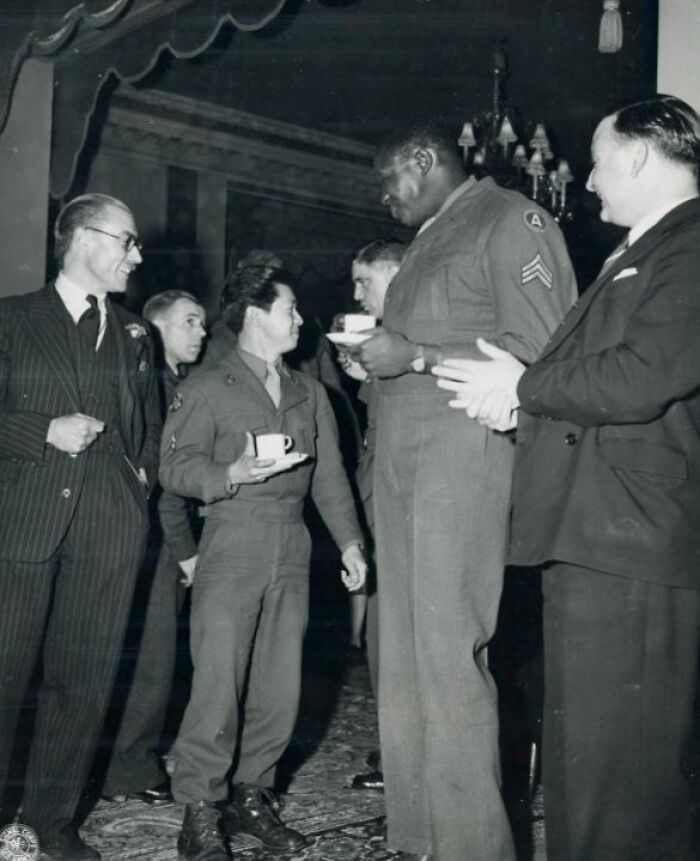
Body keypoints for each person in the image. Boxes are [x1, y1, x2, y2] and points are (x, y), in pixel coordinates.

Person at [432, 94, 700, 861]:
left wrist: (524, 387)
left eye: (598, 157)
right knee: (593, 766)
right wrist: (517, 403)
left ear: (642, 155)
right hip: (601, 534)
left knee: (624, 781)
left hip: (632, 539)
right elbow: (597, 388)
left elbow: (643, 375)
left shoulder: (688, 244)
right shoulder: (644, 250)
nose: (585, 180)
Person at [352, 120, 577, 861]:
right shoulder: (428, 241)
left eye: (391, 180)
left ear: (424, 159)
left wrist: (411, 356)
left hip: (462, 466)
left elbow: (545, 355)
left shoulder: (513, 218)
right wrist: (381, 364)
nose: (385, 198)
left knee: (448, 656)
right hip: (405, 469)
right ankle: (421, 838)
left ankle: (475, 848)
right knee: (405, 658)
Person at [159, 264, 367, 861]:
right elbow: (174, 470)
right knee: (218, 679)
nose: (301, 320)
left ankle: (251, 797)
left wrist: (351, 543)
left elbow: (329, 477)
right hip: (232, 538)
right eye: (291, 310)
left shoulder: (310, 392)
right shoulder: (205, 386)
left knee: (280, 683)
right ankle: (199, 808)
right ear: (256, 316)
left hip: (291, 543)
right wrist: (230, 474)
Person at [0, 193, 160, 861]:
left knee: (84, 681)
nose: (137, 254)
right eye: (127, 241)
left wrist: (136, 497)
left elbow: (147, 433)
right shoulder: (11, 320)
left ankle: (50, 825)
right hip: (22, 530)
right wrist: (41, 431)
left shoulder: (133, 333)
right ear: (84, 239)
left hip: (107, 533)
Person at [101, 290, 207, 807]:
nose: (201, 333)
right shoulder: (157, 386)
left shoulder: (179, 383)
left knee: (150, 655)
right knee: (152, 657)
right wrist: (186, 549)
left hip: (159, 535)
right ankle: (128, 769)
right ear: (156, 328)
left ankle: (126, 762)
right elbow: (163, 480)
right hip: (154, 538)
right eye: (190, 322)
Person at [334, 238, 406, 794]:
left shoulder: (409, 338)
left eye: (365, 282)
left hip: (406, 504)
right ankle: (395, 751)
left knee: (402, 637)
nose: (357, 294)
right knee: (385, 635)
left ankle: (404, 756)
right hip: (380, 497)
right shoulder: (387, 342)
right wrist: (366, 379)